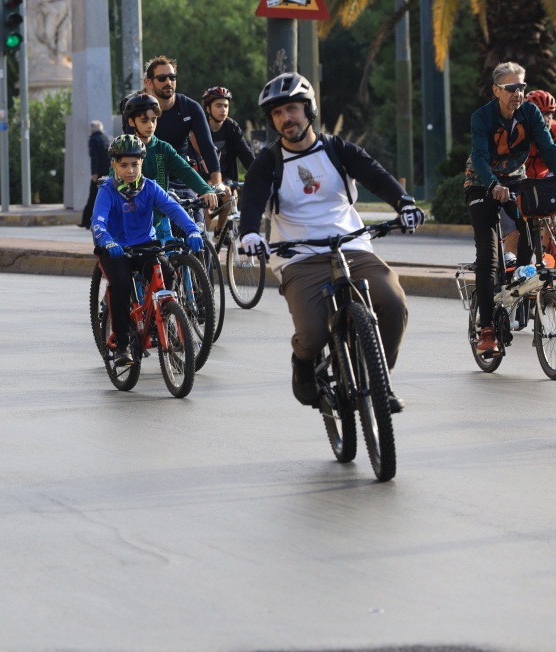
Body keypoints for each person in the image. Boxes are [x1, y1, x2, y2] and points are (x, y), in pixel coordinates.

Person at [237, 72, 424, 411]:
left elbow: (376, 176)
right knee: (312, 334)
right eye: (277, 113)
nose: (285, 118)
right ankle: (303, 363)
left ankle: (380, 380)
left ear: (309, 110)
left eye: (292, 109)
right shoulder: (269, 161)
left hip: (350, 246)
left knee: (393, 300)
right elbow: (251, 200)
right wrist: (249, 232)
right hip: (298, 256)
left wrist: (404, 203)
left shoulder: (337, 149)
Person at [465, 63, 556, 355]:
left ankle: (519, 279)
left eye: (521, 87)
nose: (518, 93)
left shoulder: (529, 114)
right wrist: (491, 185)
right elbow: (479, 156)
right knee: (488, 254)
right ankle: (487, 329)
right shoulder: (482, 117)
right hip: (481, 184)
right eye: (511, 88)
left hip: (516, 182)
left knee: (532, 231)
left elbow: (549, 149)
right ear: (496, 90)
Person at [91, 134, 203, 367]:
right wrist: (108, 242)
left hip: (145, 245)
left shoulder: (150, 188)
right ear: (114, 165)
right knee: (120, 283)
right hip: (114, 247)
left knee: (168, 273)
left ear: (142, 163)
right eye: (123, 165)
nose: (130, 170)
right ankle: (122, 343)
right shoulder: (107, 190)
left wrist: (192, 230)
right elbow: (98, 223)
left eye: (135, 164)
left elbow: (173, 209)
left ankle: (157, 320)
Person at [120, 93, 215, 244]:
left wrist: (205, 190)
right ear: (131, 122)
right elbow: (115, 179)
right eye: (144, 121)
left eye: (153, 120)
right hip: (135, 219)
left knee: (194, 238)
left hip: (162, 217)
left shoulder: (163, 148)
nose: (150, 125)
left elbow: (185, 170)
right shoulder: (124, 149)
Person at [141, 56, 223, 211]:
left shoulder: (190, 108)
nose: (168, 82)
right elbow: (129, 152)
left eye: (172, 77)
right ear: (150, 82)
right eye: (162, 78)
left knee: (197, 227)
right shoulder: (138, 110)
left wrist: (216, 183)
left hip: (183, 178)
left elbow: (207, 146)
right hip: (150, 181)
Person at [194, 86, 256, 237]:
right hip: (201, 179)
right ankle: (205, 250)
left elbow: (246, 155)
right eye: (218, 105)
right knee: (204, 215)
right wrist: (204, 182)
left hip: (225, 178)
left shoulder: (231, 127)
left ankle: (220, 231)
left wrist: (259, 174)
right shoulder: (199, 128)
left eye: (226, 106)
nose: (223, 110)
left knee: (231, 194)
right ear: (208, 109)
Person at [79, 119, 110, 228]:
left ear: (92, 129)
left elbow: (94, 157)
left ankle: (86, 222)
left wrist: (94, 173)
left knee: (93, 197)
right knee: (103, 197)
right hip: (108, 172)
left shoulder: (93, 140)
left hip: (99, 172)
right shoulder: (105, 138)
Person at [524, 89, 556, 179]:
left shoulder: (555, 130)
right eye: (539, 114)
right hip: (515, 181)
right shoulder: (515, 132)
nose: (545, 119)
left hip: (544, 180)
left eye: (549, 114)